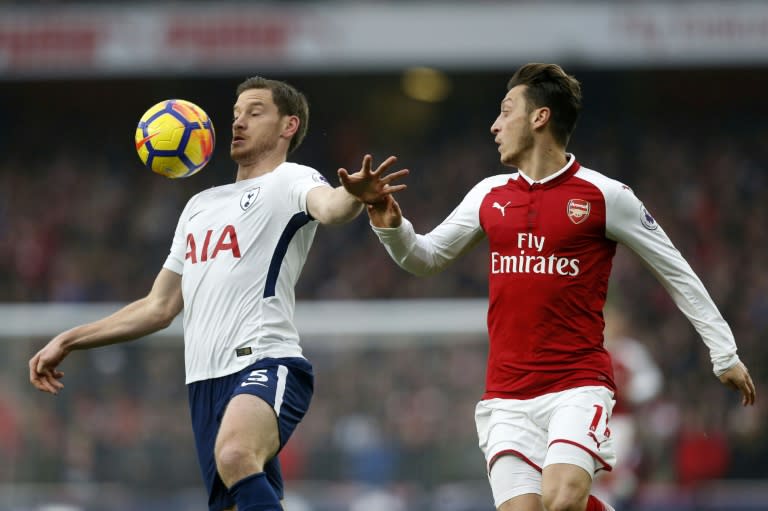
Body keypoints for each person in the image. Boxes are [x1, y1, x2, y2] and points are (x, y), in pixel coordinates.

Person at [340, 63, 757, 511]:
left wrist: (724, 352)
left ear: (539, 118)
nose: (494, 125)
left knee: (561, 500)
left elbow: (676, 270)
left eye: (505, 111)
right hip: (505, 395)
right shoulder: (489, 195)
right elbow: (423, 258)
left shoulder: (604, 196)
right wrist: (390, 224)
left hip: (576, 385)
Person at [29, 76, 407, 511]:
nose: (239, 122)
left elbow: (331, 207)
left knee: (234, 454)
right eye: (235, 114)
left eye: (255, 112)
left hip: (266, 359)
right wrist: (69, 339)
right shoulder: (200, 205)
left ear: (289, 126)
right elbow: (159, 306)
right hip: (204, 381)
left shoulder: (291, 179)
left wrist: (354, 195)